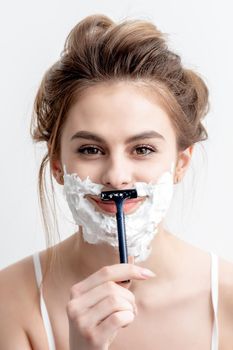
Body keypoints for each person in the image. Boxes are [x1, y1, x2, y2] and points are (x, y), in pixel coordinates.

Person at [0, 13, 232, 350]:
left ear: (181, 162)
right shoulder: (8, 302)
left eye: (142, 149)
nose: (116, 176)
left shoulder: (227, 300)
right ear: (57, 165)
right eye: (91, 149)